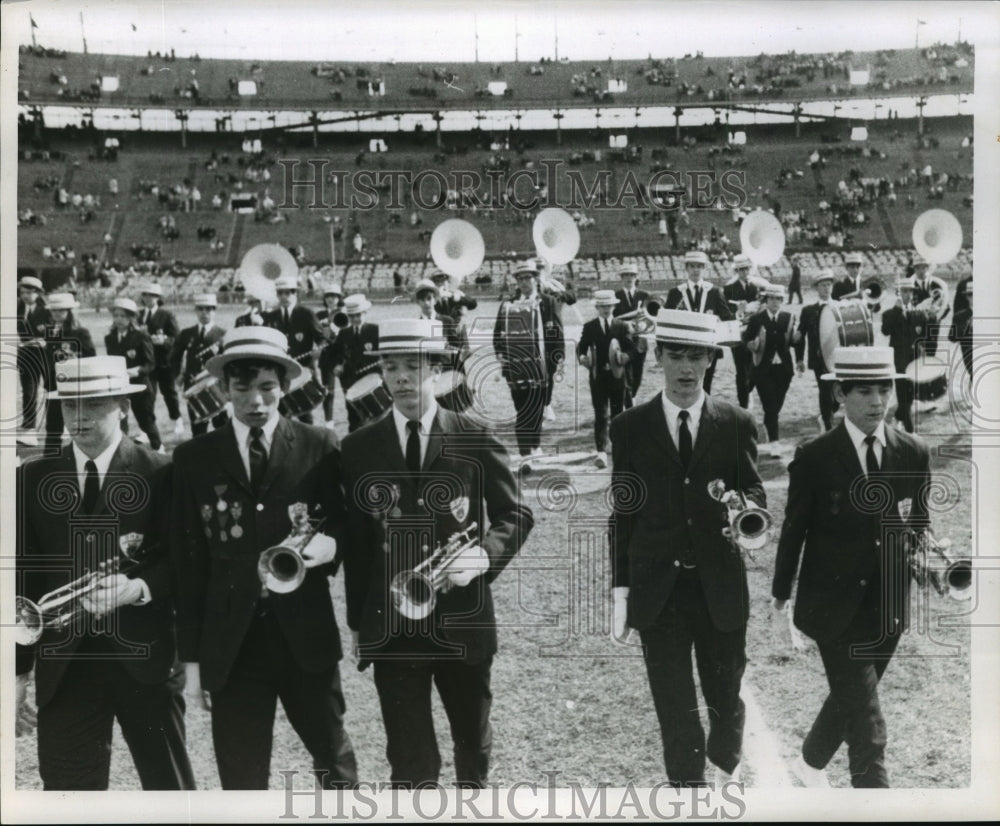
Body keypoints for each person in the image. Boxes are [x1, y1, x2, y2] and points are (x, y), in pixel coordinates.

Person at [341, 319, 534, 788]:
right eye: (391, 367)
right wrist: (356, 623)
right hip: (393, 625)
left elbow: (516, 513)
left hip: (461, 617)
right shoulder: (358, 447)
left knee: (473, 746)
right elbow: (358, 545)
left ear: (436, 370)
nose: (402, 378)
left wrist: (485, 556)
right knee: (409, 761)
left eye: (413, 366)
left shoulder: (472, 435)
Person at [170, 326, 358, 790]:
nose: (256, 400)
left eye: (268, 387)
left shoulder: (319, 444)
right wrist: (192, 662)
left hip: (305, 639)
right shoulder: (193, 458)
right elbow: (188, 566)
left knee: (333, 761)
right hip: (232, 648)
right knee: (241, 776)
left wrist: (327, 546)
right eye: (242, 388)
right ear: (221, 390)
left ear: (286, 386)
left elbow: (345, 523)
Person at [16, 356, 196, 790]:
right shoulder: (33, 476)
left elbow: (185, 563)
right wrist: (18, 673)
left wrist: (137, 587)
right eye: (70, 406)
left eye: (94, 405)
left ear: (124, 407)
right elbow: (23, 583)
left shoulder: (162, 472)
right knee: (67, 800)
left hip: (146, 661)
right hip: (66, 668)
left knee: (171, 793)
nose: (79, 418)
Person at [609, 309, 764, 787]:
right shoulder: (629, 426)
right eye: (675, 354)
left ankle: (725, 766)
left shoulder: (736, 421)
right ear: (657, 356)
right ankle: (688, 798)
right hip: (659, 591)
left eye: (696, 356)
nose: (684, 367)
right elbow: (624, 513)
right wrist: (620, 590)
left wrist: (747, 513)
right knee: (675, 711)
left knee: (725, 698)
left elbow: (755, 493)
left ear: (712, 360)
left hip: (718, 585)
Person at [771, 345, 931, 788]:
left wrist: (923, 555)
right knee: (868, 725)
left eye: (885, 389)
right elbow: (793, 530)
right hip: (833, 609)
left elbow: (918, 522)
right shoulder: (815, 455)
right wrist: (780, 600)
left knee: (850, 700)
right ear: (840, 394)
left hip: (888, 608)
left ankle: (808, 764)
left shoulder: (914, 452)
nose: (878, 402)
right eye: (864, 391)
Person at [492, 261, 565, 466]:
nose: (524, 282)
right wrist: (500, 354)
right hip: (515, 366)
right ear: (517, 282)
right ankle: (526, 452)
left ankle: (534, 445)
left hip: (543, 365)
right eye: (520, 278)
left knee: (538, 408)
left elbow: (557, 332)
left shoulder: (548, 302)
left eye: (528, 277)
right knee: (523, 409)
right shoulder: (508, 304)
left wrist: (558, 360)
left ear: (536, 278)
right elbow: (498, 334)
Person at [664, 250, 734, 392]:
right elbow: (667, 321)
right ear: (687, 268)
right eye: (692, 266)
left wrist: (741, 313)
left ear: (704, 268)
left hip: (707, 348)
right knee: (685, 385)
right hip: (683, 349)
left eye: (699, 266)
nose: (696, 270)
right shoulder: (675, 293)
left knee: (705, 385)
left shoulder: (715, 292)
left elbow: (727, 317)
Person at [577, 290, 632, 468]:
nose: (606, 309)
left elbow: (632, 348)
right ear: (597, 308)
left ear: (613, 306)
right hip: (598, 377)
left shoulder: (622, 326)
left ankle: (616, 447)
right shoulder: (590, 327)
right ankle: (601, 452)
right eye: (602, 306)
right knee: (601, 415)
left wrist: (626, 356)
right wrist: (582, 358)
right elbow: (581, 348)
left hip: (618, 377)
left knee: (617, 414)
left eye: (609, 306)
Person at [743, 285, 799, 452]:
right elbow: (746, 337)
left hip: (784, 370)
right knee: (770, 404)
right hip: (763, 369)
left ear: (782, 301)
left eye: (778, 299)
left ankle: (769, 424)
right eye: (771, 298)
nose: (775, 302)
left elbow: (795, 342)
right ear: (766, 300)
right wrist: (750, 345)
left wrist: (799, 351)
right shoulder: (756, 319)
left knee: (776, 404)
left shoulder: (789, 318)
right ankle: (774, 441)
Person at [40, 292, 96, 456]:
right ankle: (50, 458)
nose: (57, 314)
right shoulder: (50, 331)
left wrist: (74, 358)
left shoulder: (80, 332)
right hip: (54, 383)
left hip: (75, 384)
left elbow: (90, 357)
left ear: (70, 311)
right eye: (54, 311)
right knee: (53, 424)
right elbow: (47, 358)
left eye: (61, 310)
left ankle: (84, 455)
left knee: (79, 423)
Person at [264, 274, 325, 423]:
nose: (284, 297)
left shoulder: (306, 314)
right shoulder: (271, 317)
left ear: (295, 293)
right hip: (279, 374)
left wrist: (320, 349)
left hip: (301, 373)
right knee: (279, 416)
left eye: (288, 293)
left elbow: (322, 338)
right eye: (280, 293)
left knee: (305, 415)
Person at [104, 297, 162, 452]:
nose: (119, 319)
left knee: (146, 420)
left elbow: (150, 364)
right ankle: (122, 451)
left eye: (123, 316)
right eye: (116, 316)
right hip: (119, 385)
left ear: (131, 318)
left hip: (139, 385)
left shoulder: (140, 336)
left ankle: (158, 448)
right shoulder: (109, 338)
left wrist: (137, 370)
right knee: (119, 418)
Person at [169, 293, 228, 436]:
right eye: (200, 309)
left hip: (215, 387)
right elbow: (174, 357)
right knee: (198, 429)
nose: (204, 313)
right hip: (193, 386)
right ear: (195, 311)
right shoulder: (186, 334)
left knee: (222, 426)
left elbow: (227, 361)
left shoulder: (222, 334)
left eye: (208, 309)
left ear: (214, 310)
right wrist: (178, 375)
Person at [322, 293, 380, 433]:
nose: (355, 319)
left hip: (371, 382)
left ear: (365, 313)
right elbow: (334, 353)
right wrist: (337, 365)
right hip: (350, 382)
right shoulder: (344, 333)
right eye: (352, 316)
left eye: (358, 315)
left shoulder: (375, 330)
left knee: (376, 417)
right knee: (353, 418)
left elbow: (383, 354)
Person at [796, 269, 840, 431]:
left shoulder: (840, 308)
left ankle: (826, 415)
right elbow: (800, 337)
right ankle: (827, 425)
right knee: (825, 391)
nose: (826, 288)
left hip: (839, 358)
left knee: (838, 395)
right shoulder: (808, 311)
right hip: (818, 358)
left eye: (829, 285)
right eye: (823, 285)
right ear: (816, 288)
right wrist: (799, 359)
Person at [137, 283, 183, 436]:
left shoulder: (167, 315)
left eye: (152, 295)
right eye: (145, 295)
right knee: (148, 396)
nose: (148, 298)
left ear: (158, 298)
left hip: (164, 361)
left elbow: (177, 339)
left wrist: (164, 341)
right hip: (146, 362)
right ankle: (148, 427)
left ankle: (177, 419)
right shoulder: (138, 315)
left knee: (169, 393)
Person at [880, 277, 923, 433]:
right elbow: (886, 330)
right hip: (899, 362)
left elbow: (923, 335)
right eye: (905, 291)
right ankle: (911, 433)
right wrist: (898, 310)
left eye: (910, 291)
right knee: (903, 397)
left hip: (914, 361)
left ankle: (898, 417)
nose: (908, 295)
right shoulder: (889, 313)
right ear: (898, 293)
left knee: (909, 398)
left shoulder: (918, 312)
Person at [721, 254, 760, 410]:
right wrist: (739, 311)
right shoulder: (729, 288)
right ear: (737, 270)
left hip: (754, 332)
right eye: (741, 269)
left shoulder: (756, 286)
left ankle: (747, 391)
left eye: (747, 269)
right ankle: (743, 403)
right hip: (737, 332)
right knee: (742, 370)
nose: (745, 272)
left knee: (754, 368)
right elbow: (726, 312)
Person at [17, 275, 52, 445]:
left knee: (51, 390)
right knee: (29, 393)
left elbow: (57, 332)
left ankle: (55, 426)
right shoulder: (16, 307)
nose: (25, 295)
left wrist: (44, 340)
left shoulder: (47, 309)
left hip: (45, 355)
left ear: (38, 293)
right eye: (23, 292)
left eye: (29, 292)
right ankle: (29, 428)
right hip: (25, 355)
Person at [613, 266, 651, 405]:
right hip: (623, 341)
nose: (629, 278)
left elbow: (651, 317)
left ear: (636, 277)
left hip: (640, 340)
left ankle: (632, 395)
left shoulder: (644, 295)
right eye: (625, 275)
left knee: (637, 374)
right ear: (621, 278)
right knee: (625, 374)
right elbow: (613, 320)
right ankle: (628, 401)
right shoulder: (615, 296)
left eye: (632, 275)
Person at [909, 255, 950, 358]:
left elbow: (946, 306)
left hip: (932, 325)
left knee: (931, 355)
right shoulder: (909, 285)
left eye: (924, 267)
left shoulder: (938, 285)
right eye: (918, 268)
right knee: (915, 354)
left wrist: (936, 317)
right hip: (914, 326)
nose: (921, 270)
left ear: (928, 268)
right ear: (914, 269)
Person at [949, 280, 973, 383]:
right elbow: (952, 337)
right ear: (967, 297)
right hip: (970, 357)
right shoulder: (960, 316)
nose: (974, 298)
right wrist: (967, 327)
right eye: (971, 295)